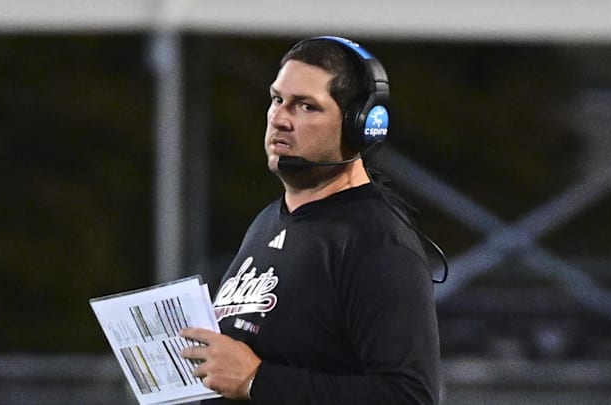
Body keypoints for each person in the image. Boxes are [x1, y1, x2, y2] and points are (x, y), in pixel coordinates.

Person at [180, 36, 441, 404]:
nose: (280, 119)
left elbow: (409, 396)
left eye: (306, 106)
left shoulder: (377, 241)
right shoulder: (267, 221)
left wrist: (257, 380)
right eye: (277, 100)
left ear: (359, 125)